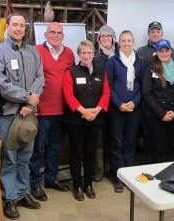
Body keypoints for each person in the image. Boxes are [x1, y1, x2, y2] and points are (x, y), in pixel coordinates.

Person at [0, 12, 44, 220]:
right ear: (8, 27)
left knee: (25, 156)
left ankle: (22, 193)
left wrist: (30, 103)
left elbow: (40, 77)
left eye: (22, 25)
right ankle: (9, 198)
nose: (19, 28)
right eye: (15, 25)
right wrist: (27, 97)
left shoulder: (33, 52)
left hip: (28, 115)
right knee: (10, 158)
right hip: (7, 114)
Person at [29, 22, 75, 202]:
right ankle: (34, 184)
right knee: (38, 149)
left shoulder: (69, 53)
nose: (56, 35)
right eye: (52, 32)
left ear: (62, 36)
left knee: (56, 148)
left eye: (59, 33)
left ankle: (50, 179)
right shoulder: (36, 51)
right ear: (45, 34)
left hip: (62, 110)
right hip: (41, 111)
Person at [63, 40, 110, 201]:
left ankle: (88, 184)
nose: (87, 55)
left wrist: (96, 111)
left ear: (93, 54)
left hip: (95, 120)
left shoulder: (101, 72)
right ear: (79, 54)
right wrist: (83, 111)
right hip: (76, 120)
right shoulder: (71, 71)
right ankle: (77, 185)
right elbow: (68, 95)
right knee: (77, 153)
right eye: (84, 52)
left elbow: (106, 94)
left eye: (90, 52)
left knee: (91, 153)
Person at [106, 30, 144, 193]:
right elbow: (108, 86)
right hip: (116, 109)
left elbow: (142, 86)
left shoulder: (140, 61)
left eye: (129, 41)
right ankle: (118, 176)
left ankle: (128, 174)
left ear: (133, 42)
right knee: (117, 142)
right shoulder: (113, 61)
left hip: (134, 109)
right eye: (123, 41)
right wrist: (119, 104)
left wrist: (134, 103)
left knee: (130, 142)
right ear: (119, 43)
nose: (126, 44)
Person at [142, 39, 174, 163]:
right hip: (155, 116)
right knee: (157, 148)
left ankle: (167, 176)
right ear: (157, 52)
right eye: (160, 51)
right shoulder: (150, 69)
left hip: (173, 116)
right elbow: (147, 93)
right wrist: (161, 114)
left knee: (169, 148)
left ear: (170, 51)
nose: (164, 53)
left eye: (166, 50)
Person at [93, 24, 118, 182]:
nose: (106, 39)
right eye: (103, 36)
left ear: (113, 39)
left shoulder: (121, 55)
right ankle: (99, 170)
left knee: (113, 136)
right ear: (98, 39)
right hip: (99, 103)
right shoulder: (94, 56)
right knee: (99, 138)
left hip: (116, 103)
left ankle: (112, 169)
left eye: (109, 36)